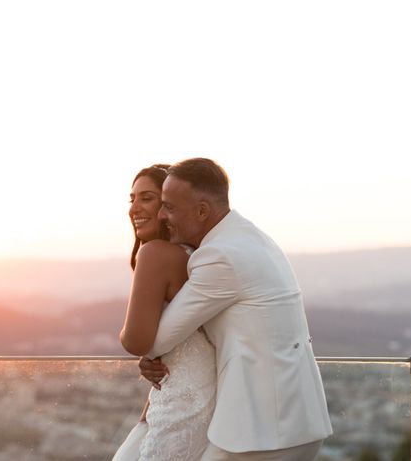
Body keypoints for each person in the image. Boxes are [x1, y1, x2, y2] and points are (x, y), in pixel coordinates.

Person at [139, 158, 332, 461]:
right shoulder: (254, 238)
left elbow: (154, 340)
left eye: (170, 207)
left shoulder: (219, 256)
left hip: (261, 434)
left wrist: (149, 354)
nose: (162, 215)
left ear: (202, 210)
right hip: (301, 423)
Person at [113, 164, 217, 461]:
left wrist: (144, 349)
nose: (135, 208)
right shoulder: (193, 257)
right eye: (131, 199)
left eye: (146, 198)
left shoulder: (155, 254)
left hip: (180, 408)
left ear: (169, 206)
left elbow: (135, 341)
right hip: (203, 404)